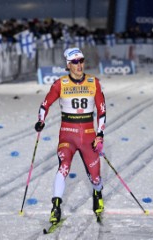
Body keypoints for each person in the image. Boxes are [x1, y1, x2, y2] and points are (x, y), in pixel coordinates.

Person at [34, 47, 106, 224]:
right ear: (68, 65)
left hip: (88, 136)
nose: (79, 65)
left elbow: (101, 110)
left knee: (95, 177)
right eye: (75, 62)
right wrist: (41, 120)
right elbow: (45, 105)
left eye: (81, 61)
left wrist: (100, 134)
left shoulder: (93, 82)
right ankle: (56, 207)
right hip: (67, 135)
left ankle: (97, 192)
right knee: (63, 166)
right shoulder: (60, 84)